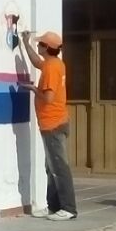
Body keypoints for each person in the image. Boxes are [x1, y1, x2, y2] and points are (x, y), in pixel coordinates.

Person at [20, 30, 77, 220]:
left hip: (53, 124)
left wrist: (33, 89)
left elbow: (49, 97)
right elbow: (37, 63)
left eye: (40, 44)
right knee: (51, 167)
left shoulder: (52, 68)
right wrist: (25, 44)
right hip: (52, 123)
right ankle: (53, 206)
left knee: (59, 168)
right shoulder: (53, 64)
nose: (38, 46)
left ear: (47, 48)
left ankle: (68, 208)